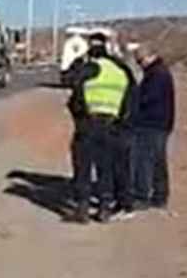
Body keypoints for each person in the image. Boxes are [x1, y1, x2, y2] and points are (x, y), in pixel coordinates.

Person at [66, 33, 138, 224]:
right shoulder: (121, 69)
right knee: (105, 167)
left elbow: (71, 82)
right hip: (112, 125)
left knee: (83, 166)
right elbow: (131, 98)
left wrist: (77, 61)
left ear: (90, 48)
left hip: (88, 123)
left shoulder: (90, 67)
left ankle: (82, 209)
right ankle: (105, 207)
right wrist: (121, 121)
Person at [131, 44, 176, 211]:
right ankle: (160, 196)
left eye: (140, 60)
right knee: (157, 161)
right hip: (160, 123)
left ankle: (142, 196)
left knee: (144, 160)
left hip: (151, 123)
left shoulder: (157, 74)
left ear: (150, 56)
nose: (139, 64)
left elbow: (148, 98)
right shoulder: (158, 72)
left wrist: (133, 101)